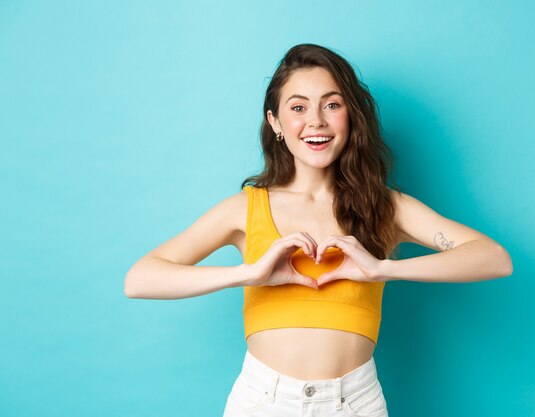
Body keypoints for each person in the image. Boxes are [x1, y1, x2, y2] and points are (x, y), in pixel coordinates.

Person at [124, 43, 513, 417]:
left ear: (350, 116)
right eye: (298, 107)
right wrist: (249, 274)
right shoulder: (245, 208)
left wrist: (383, 269)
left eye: (332, 104)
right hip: (263, 401)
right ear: (275, 122)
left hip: (355, 403)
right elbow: (140, 279)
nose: (316, 121)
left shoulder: (385, 207)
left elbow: (493, 259)